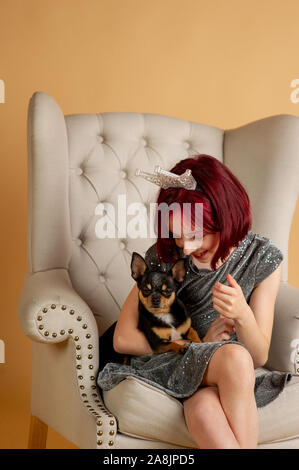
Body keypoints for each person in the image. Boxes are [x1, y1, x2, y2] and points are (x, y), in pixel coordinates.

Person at [97, 154, 291, 449]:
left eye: (195, 235)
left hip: (220, 375)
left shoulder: (262, 257)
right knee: (235, 357)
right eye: (177, 236)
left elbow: (260, 356)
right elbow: (123, 339)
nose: (186, 248)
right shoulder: (165, 258)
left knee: (203, 409)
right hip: (173, 362)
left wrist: (242, 314)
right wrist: (196, 345)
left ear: (224, 218)